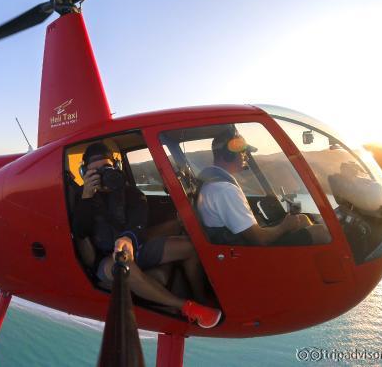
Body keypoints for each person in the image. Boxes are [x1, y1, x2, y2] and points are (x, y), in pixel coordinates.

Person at [72, 142, 221, 328]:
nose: (103, 176)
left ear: (116, 167)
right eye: (95, 172)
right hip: (108, 259)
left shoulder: (130, 192)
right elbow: (79, 231)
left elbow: (138, 221)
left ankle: (200, 297)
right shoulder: (81, 197)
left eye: (106, 168)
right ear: (84, 173)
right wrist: (87, 196)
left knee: (189, 247)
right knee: (125, 267)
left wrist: (128, 238)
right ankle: (187, 307)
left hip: (135, 246)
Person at [197, 129, 331, 246]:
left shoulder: (212, 182)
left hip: (240, 241)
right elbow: (260, 240)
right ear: (228, 154)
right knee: (320, 232)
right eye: (242, 152)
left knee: (301, 219)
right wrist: (284, 227)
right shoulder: (225, 190)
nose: (246, 157)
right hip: (247, 254)